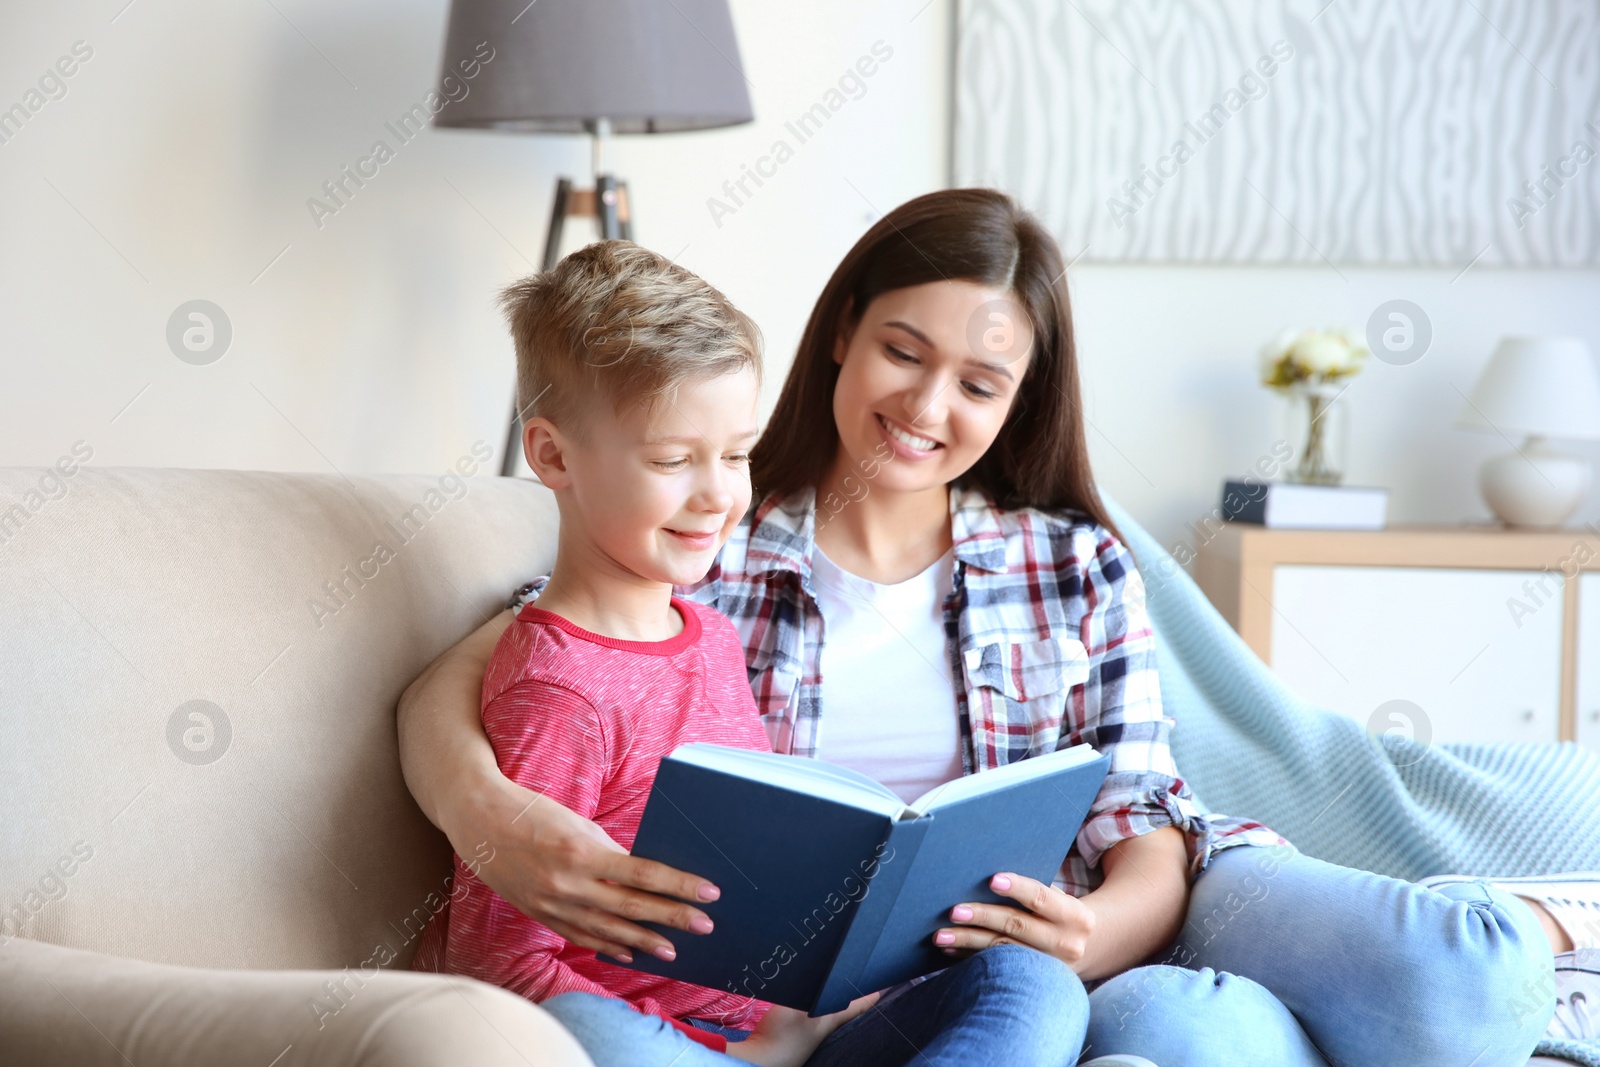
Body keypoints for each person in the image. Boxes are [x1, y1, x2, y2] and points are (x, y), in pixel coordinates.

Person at [401, 189, 1594, 1066]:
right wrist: (483, 806)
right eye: (901, 352)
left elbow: (1144, 809)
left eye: (978, 383)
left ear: (1020, 399)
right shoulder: (712, 540)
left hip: (1105, 917)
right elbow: (531, 651)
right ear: (842, 331)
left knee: (1465, 979)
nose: (925, 406)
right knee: (1198, 1027)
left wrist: (1094, 932)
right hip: (881, 994)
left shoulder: (1065, 556)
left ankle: (1539, 920)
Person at [411, 238, 1086, 1067]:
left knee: (1032, 982)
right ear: (551, 455)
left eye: (735, 454)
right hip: (660, 1045)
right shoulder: (556, 689)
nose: (720, 493)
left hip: (784, 1031)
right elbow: (498, 970)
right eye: (671, 460)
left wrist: (816, 996)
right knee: (586, 1035)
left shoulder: (714, 634)